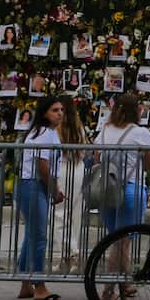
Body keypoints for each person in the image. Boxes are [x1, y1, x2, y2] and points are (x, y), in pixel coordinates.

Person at [93, 93, 150, 300]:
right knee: (121, 242)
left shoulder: (104, 131)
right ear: (137, 111)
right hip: (130, 189)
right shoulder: (140, 133)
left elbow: (96, 159)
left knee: (116, 240)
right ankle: (108, 290)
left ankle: (125, 285)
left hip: (105, 190)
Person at [16, 97, 65, 300]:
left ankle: (26, 283)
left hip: (34, 186)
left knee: (31, 233)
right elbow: (42, 166)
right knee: (39, 236)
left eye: (61, 109)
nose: (60, 113)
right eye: (55, 110)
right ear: (45, 112)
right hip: (34, 185)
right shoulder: (43, 133)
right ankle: (39, 285)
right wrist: (54, 190)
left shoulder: (50, 132)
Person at [54, 96, 88, 272]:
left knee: (59, 214)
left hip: (62, 168)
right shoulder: (79, 127)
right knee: (75, 213)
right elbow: (83, 151)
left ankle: (68, 253)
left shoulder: (57, 129)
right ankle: (70, 255)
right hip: (78, 169)